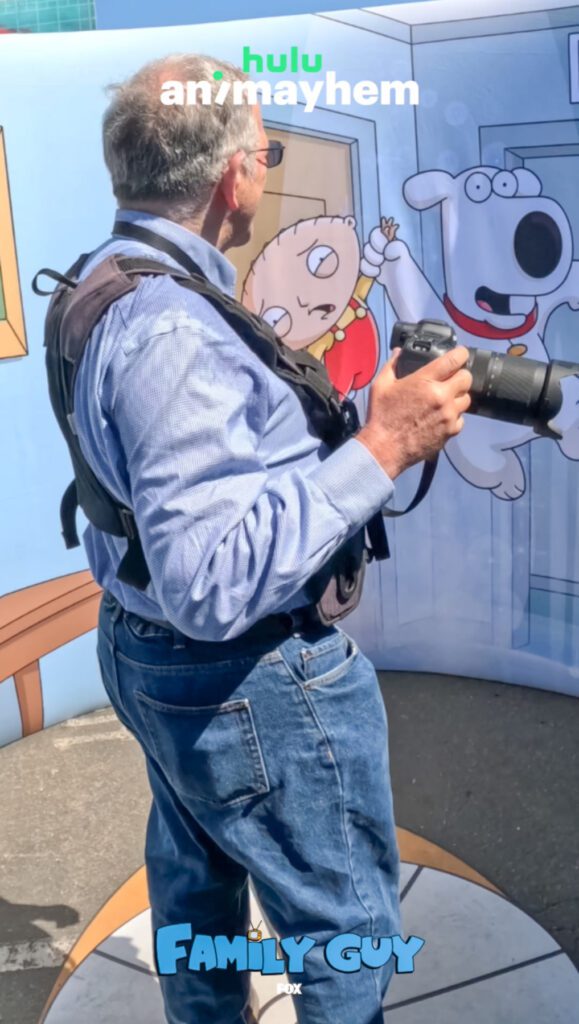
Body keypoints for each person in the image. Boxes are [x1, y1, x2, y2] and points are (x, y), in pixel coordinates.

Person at [69, 53, 472, 1024]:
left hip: (149, 654)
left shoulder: (109, 277)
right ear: (231, 178)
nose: (265, 167)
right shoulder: (174, 331)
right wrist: (384, 443)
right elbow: (208, 580)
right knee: (343, 934)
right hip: (242, 674)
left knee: (196, 880)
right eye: (265, 149)